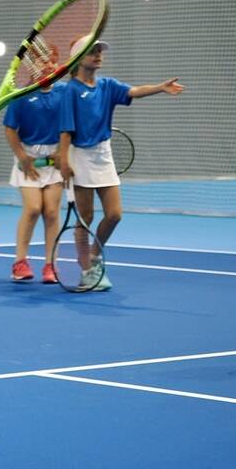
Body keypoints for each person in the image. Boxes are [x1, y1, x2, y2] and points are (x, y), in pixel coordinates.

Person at [57, 36, 184, 290]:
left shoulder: (107, 85)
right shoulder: (70, 90)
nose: (99, 55)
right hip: (79, 154)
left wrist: (160, 87)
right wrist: (63, 160)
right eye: (93, 51)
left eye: (100, 51)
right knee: (86, 217)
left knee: (114, 214)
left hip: (104, 155)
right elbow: (65, 130)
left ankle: (93, 254)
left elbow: (134, 91)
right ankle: (86, 270)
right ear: (79, 59)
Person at [3, 47, 65, 284]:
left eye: (51, 61)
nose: (47, 66)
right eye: (41, 62)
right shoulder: (21, 95)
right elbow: (10, 129)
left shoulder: (65, 92)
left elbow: (71, 125)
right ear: (31, 66)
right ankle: (20, 262)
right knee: (32, 208)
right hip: (27, 158)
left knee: (51, 211)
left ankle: (51, 265)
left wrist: (63, 151)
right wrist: (21, 156)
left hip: (56, 159)